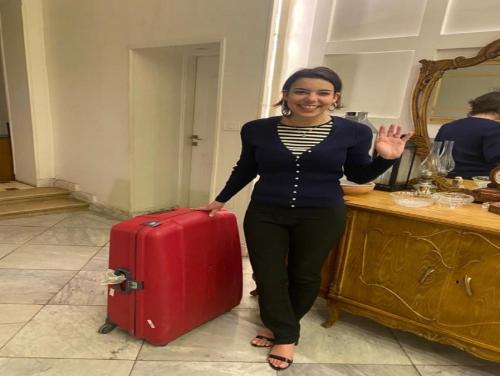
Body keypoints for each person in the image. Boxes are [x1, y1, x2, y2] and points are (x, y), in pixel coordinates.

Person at [198, 66, 413, 371]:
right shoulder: (256, 129)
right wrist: (221, 199)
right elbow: (246, 167)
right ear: (286, 94)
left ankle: (281, 331)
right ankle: (286, 331)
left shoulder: (355, 132)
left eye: (323, 93)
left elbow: (358, 174)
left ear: (335, 97)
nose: (311, 98)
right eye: (301, 91)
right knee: (268, 274)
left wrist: (386, 159)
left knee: (305, 274)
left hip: (322, 214)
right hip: (265, 212)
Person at [435, 91, 500, 178]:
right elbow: (497, 160)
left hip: (444, 182)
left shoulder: (447, 126)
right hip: (480, 185)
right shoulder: (495, 128)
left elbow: (436, 157)